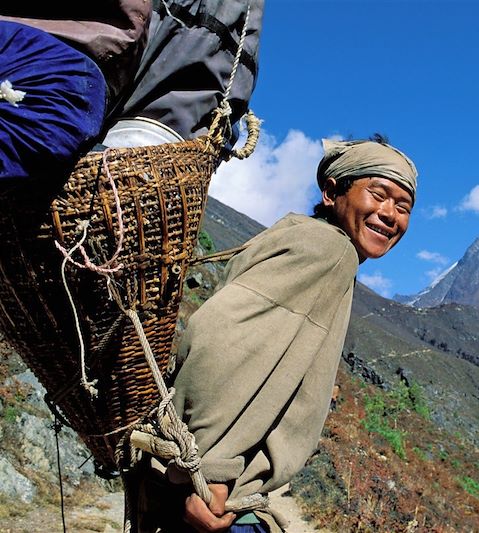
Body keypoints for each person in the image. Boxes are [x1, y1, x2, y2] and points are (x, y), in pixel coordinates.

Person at [137, 136, 418, 532]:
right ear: (331, 191)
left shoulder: (300, 237)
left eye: (403, 207)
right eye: (378, 194)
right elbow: (222, 339)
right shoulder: (328, 251)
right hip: (217, 499)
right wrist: (213, 470)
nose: (390, 214)